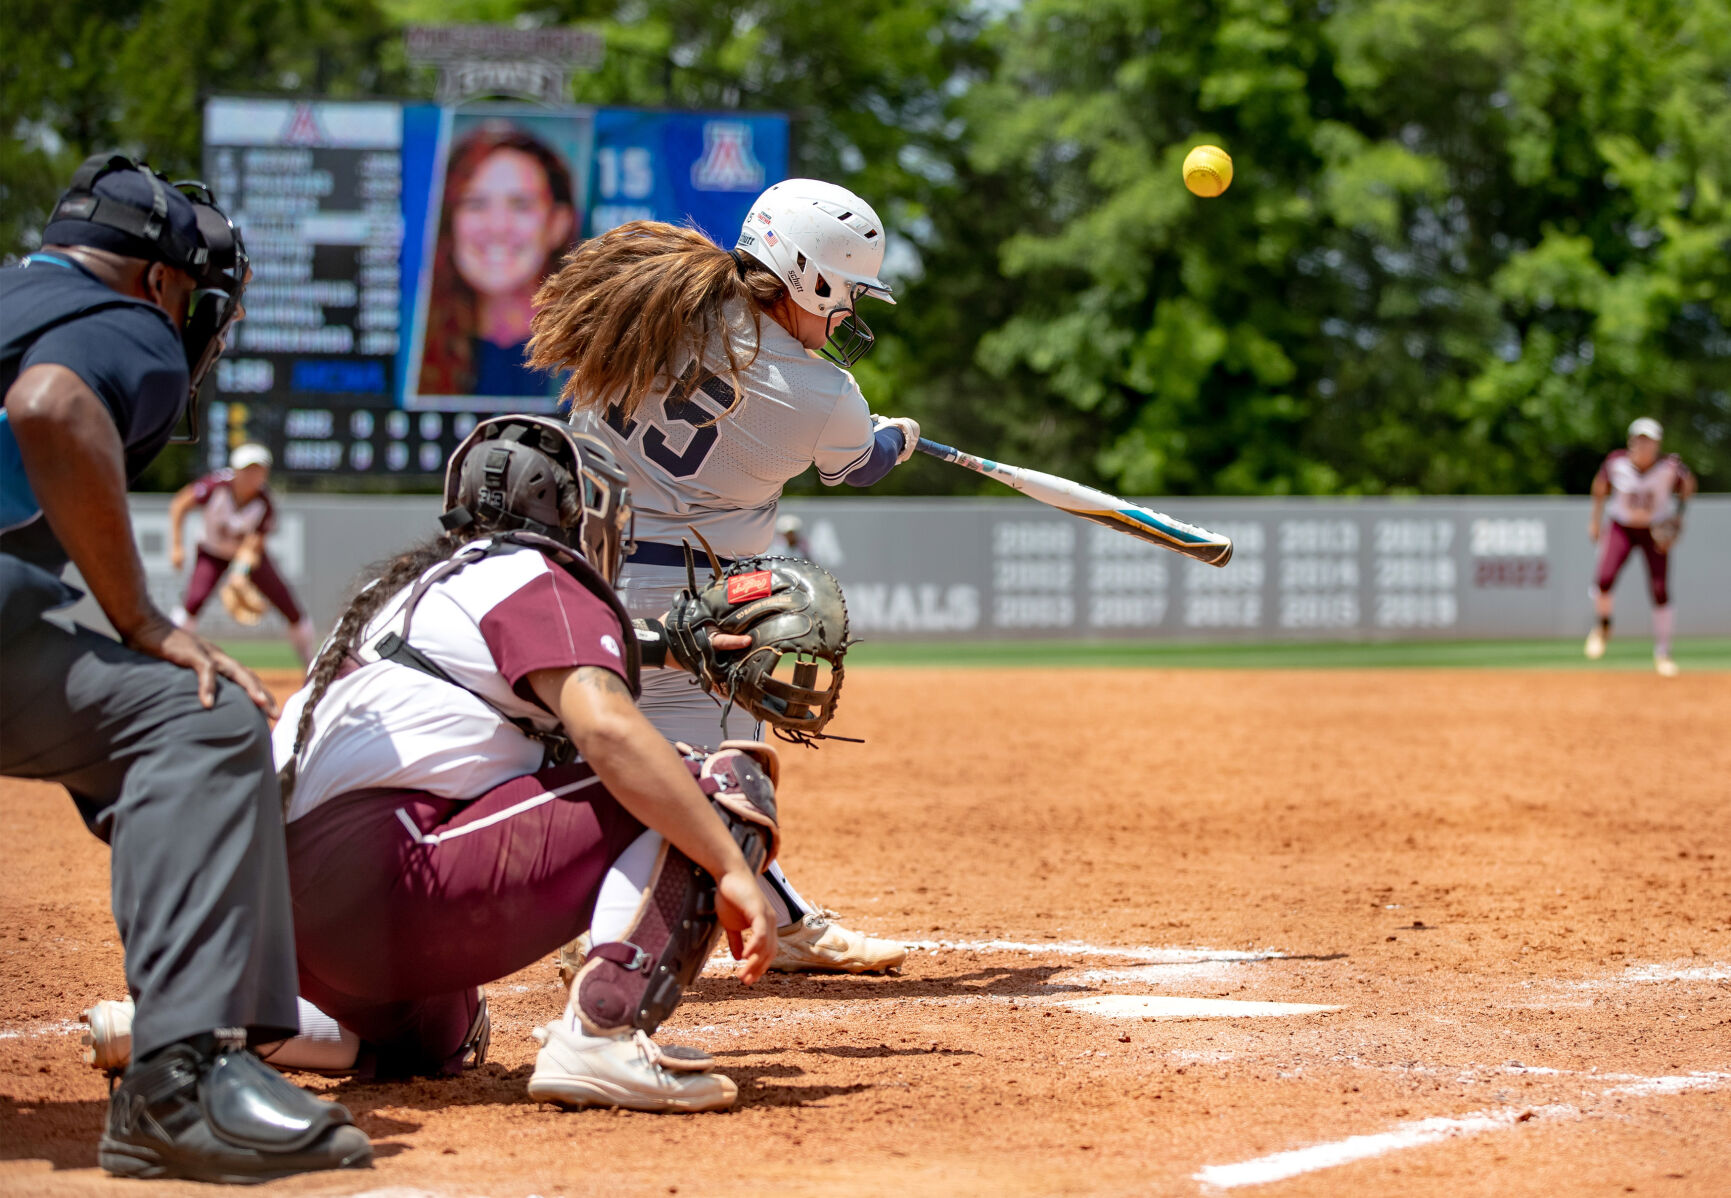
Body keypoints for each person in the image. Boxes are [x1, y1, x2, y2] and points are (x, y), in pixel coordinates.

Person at [80, 417, 782, 1113]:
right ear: (578, 513)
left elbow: (510, 655)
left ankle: (200, 1031)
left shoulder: (406, 591)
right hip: (387, 874)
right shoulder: (533, 572)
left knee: (440, 1035)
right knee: (711, 784)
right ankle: (604, 1031)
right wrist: (724, 863)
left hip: (277, 914)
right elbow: (607, 730)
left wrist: (662, 648)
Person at [0, 155, 370, 1181]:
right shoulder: (125, 323)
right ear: (160, 279)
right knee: (195, 719)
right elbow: (51, 405)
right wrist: (141, 617)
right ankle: (182, 1078)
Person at [531, 178, 921, 974]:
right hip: (690, 602)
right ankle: (631, 944)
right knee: (723, 780)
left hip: (572, 573)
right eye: (844, 295)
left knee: (610, 751)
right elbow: (861, 464)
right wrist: (897, 438)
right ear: (807, 276)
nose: (847, 313)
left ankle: (778, 913)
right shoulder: (826, 393)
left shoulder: (660, 306)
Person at [417, 124, 577, 400]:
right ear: (449, 223)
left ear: (558, 224)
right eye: (476, 203)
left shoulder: (594, 357)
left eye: (520, 205)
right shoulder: (415, 352)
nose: (498, 226)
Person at [169, 442, 316, 665]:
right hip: (212, 552)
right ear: (236, 470)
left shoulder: (265, 503)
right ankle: (170, 658)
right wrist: (177, 546)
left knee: (289, 606)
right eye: (248, 469)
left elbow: (253, 546)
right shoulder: (215, 486)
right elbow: (180, 504)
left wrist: (239, 574)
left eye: (258, 470)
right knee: (193, 601)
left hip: (246, 559)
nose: (253, 476)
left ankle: (311, 663)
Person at [1585, 416, 1696, 676]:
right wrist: (1594, 521)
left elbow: (1688, 486)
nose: (1644, 446)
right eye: (1639, 440)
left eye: (1649, 441)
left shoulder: (1670, 467)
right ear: (1630, 441)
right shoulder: (1616, 463)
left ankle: (1663, 653)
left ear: (1658, 444)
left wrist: (1678, 517)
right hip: (1621, 526)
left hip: (1654, 529)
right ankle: (1603, 626)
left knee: (1659, 589)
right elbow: (1599, 488)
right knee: (1604, 578)